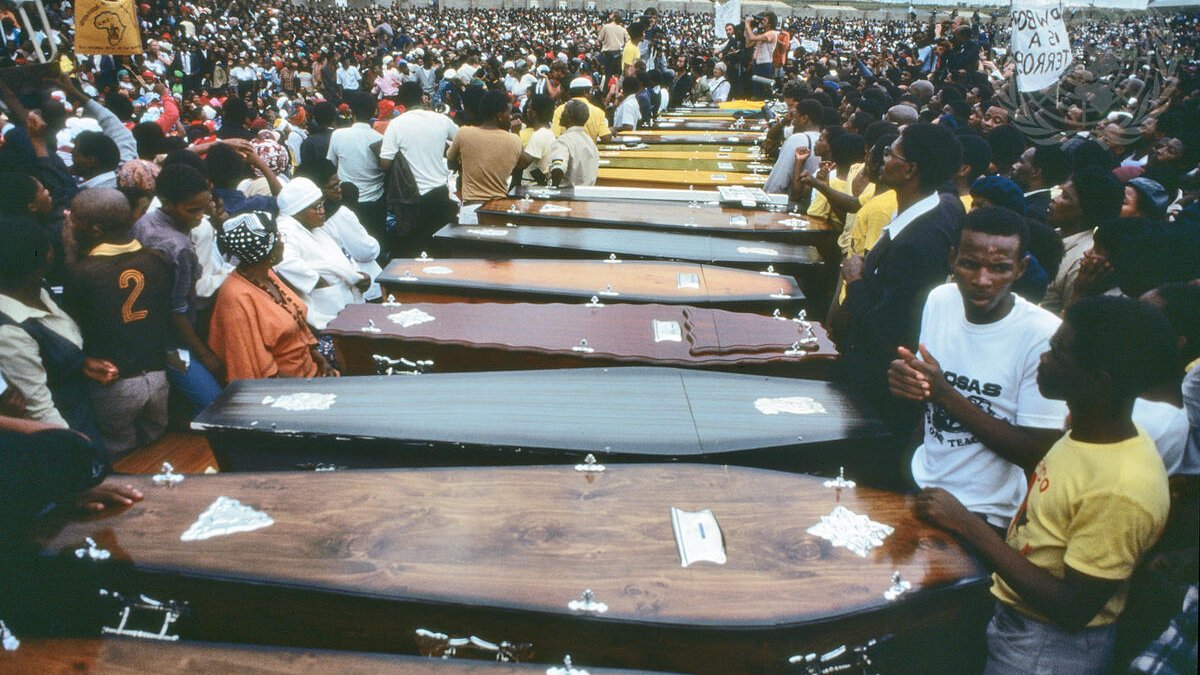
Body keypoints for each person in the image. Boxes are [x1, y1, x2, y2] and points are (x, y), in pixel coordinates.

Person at [916, 296, 1174, 675]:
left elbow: (1072, 608)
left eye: (1057, 352)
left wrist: (966, 522)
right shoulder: (1083, 433)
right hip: (1017, 625)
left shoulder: (1121, 487)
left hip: (1048, 650)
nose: (1043, 358)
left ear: (1097, 380)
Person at [890, 207, 1067, 531]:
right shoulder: (940, 300)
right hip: (920, 485)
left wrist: (945, 394)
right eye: (970, 264)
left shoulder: (1044, 335)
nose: (982, 280)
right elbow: (926, 391)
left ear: (1020, 269)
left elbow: (1038, 452)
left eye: (999, 268)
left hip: (985, 515)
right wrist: (908, 383)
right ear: (952, 259)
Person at [839, 123, 966, 433]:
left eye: (889, 153)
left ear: (909, 170)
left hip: (883, 392)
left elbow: (888, 332)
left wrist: (855, 281)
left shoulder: (917, 243)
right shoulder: (945, 205)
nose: (883, 159)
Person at [62, 189, 172, 457]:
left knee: (123, 459)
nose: (68, 221)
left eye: (73, 218)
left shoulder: (83, 272)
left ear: (96, 230)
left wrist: (69, 255)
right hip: (159, 378)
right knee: (158, 453)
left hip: (114, 385)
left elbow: (69, 328)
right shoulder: (159, 259)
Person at [0, 220, 114, 444]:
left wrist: (80, 362)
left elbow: (52, 343)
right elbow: (39, 409)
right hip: (63, 430)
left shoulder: (38, 290)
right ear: (46, 258)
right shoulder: (9, 332)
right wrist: (78, 449)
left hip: (81, 413)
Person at [131, 163, 224, 412]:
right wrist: (204, 355)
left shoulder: (144, 223)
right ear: (167, 203)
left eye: (204, 209)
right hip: (172, 341)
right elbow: (177, 310)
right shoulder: (179, 247)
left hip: (146, 328)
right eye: (193, 210)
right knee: (213, 403)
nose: (200, 217)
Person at [208, 211, 337, 381]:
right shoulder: (235, 296)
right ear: (266, 250)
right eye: (277, 237)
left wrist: (322, 361)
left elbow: (297, 323)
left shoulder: (267, 274)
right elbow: (254, 364)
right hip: (286, 387)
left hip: (311, 372)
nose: (282, 241)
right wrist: (306, 386)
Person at [272, 177, 369, 331]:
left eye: (322, 205)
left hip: (344, 303)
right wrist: (322, 282)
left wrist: (354, 275)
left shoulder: (314, 227)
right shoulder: (285, 230)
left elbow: (340, 257)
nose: (322, 211)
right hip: (324, 312)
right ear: (297, 212)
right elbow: (285, 263)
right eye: (316, 207)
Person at [379, 81, 458, 253]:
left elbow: (385, 163)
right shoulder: (442, 119)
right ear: (422, 97)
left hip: (410, 198)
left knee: (413, 248)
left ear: (402, 102)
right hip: (438, 193)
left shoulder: (396, 124)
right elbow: (462, 140)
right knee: (438, 247)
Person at [1040, 167, 1124, 315]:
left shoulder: (1084, 260)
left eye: (1065, 196)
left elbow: (1068, 322)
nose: (1055, 199)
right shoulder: (1052, 235)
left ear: (1086, 209)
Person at [326, 91, 387, 254]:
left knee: (347, 249)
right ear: (374, 111)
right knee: (375, 246)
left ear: (351, 111)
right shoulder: (379, 138)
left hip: (346, 202)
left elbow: (331, 165)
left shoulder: (338, 135)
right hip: (374, 202)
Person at [446, 90, 530, 205]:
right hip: (497, 208)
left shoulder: (463, 133)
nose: (510, 117)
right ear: (499, 115)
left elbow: (450, 161)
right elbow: (523, 164)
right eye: (508, 113)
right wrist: (516, 133)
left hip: (470, 206)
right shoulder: (513, 139)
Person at [543, 100, 599, 188]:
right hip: (587, 195)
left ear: (569, 117)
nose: (561, 114)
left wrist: (553, 188)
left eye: (564, 111)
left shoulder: (563, 141)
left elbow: (558, 168)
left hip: (567, 196)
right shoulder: (590, 142)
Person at [550, 77, 612, 143]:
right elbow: (606, 139)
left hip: (567, 152)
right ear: (585, 92)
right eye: (590, 91)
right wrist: (611, 131)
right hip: (588, 152)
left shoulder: (560, 110)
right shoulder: (598, 112)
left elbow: (554, 136)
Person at [743, 12, 778, 99]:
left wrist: (747, 25)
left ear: (770, 23)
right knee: (756, 90)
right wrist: (748, 28)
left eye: (765, 20)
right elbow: (748, 44)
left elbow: (752, 38)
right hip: (757, 63)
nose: (762, 21)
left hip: (764, 65)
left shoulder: (772, 33)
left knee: (762, 91)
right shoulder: (762, 34)